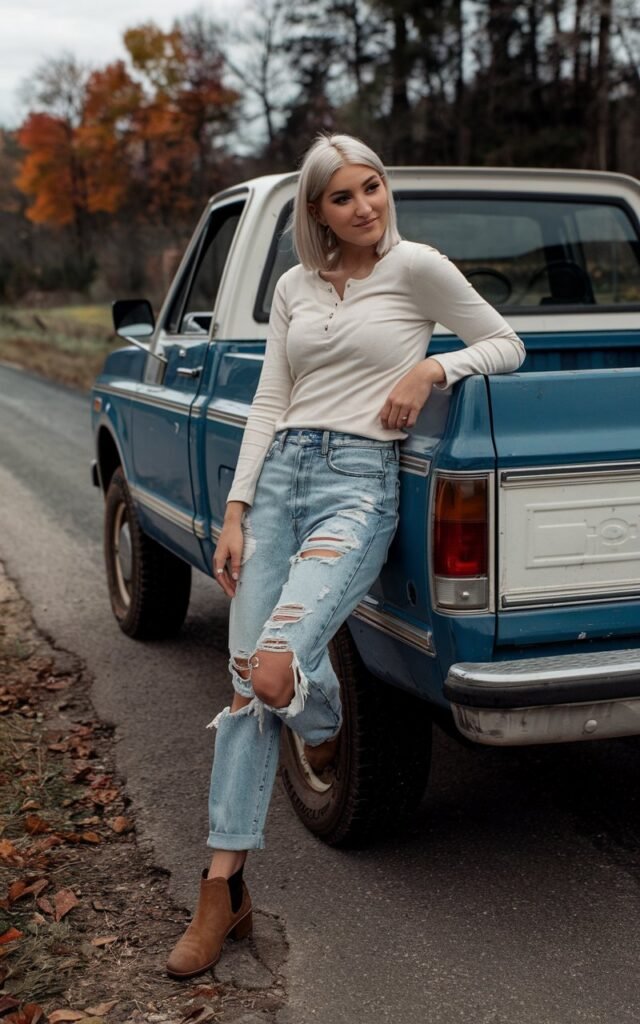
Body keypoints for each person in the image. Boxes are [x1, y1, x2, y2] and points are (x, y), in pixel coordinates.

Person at [166, 133, 525, 979]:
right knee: (246, 687)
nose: (365, 206)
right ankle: (222, 891)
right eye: (344, 196)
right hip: (280, 481)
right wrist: (236, 511)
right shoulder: (293, 286)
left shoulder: (417, 267)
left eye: (373, 187)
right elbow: (271, 399)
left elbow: (508, 342)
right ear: (317, 211)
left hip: (358, 486)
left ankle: (320, 723)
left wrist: (432, 370)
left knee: (273, 670)